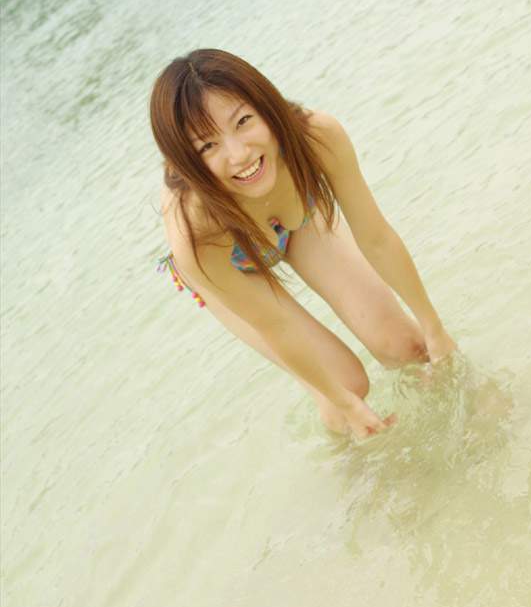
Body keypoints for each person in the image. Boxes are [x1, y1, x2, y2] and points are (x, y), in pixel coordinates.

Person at [151, 49, 457, 440]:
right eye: (207, 146)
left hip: (298, 221)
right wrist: (345, 404)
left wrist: (435, 329)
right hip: (230, 264)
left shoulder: (316, 136)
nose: (239, 155)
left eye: (243, 121)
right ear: (189, 162)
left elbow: (377, 238)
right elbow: (275, 325)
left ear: (265, 106)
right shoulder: (196, 232)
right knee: (346, 388)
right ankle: (349, 463)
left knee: (409, 346)